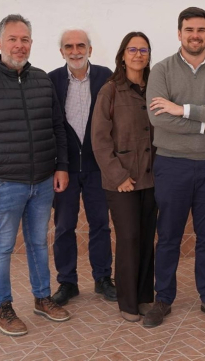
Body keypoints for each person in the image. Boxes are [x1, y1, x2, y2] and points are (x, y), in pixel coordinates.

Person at [144, 7, 205, 327]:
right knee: (168, 235)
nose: (195, 35)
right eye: (189, 30)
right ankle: (163, 299)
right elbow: (158, 117)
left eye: (201, 30)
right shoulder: (162, 70)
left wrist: (181, 109)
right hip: (172, 164)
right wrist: (202, 122)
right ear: (179, 33)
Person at [0, 14, 71, 336]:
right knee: (1, 247)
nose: (19, 45)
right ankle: (1, 307)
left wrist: (61, 165)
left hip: (42, 180)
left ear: (31, 43)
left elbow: (58, 127)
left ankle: (42, 298)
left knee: (38, 243)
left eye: (24, 39)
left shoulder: (42, 80)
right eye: (12, 39)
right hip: (4, 182)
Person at [91, 31, 158, 322]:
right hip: (122, 182)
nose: (138, 54)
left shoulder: (155, 87)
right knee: (129, 238)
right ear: (122, 55)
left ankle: (144, 298)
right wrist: (118, 175)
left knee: (146, 239)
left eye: (143, 50)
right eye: (132, 49)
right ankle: (127, 303)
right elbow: (99, 139)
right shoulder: (110, 90)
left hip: (151, 178)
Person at [48, 30, 116, 306]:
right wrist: (58, 165)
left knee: (100, 224)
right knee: (64, 226)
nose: (75, 51)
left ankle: (103, 278)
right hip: (64, 169)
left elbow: (113, 119)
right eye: (69, 46)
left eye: (80, 45)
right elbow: (52, 126)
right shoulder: (52, 80)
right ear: (61, 51)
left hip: (97, 165)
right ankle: (67, 282)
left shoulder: (105, 76)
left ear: (90, 49)